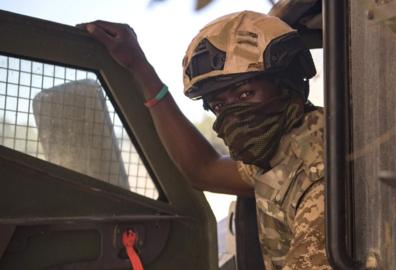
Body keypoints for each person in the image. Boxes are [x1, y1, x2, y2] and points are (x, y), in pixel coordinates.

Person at [79, 10, 331, 270]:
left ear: (288, 85)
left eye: (246, 94)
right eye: (219, 105)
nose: (233, 114)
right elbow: (203, 169)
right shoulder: (284, 148)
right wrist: (139, 67)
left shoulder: (321, 176)